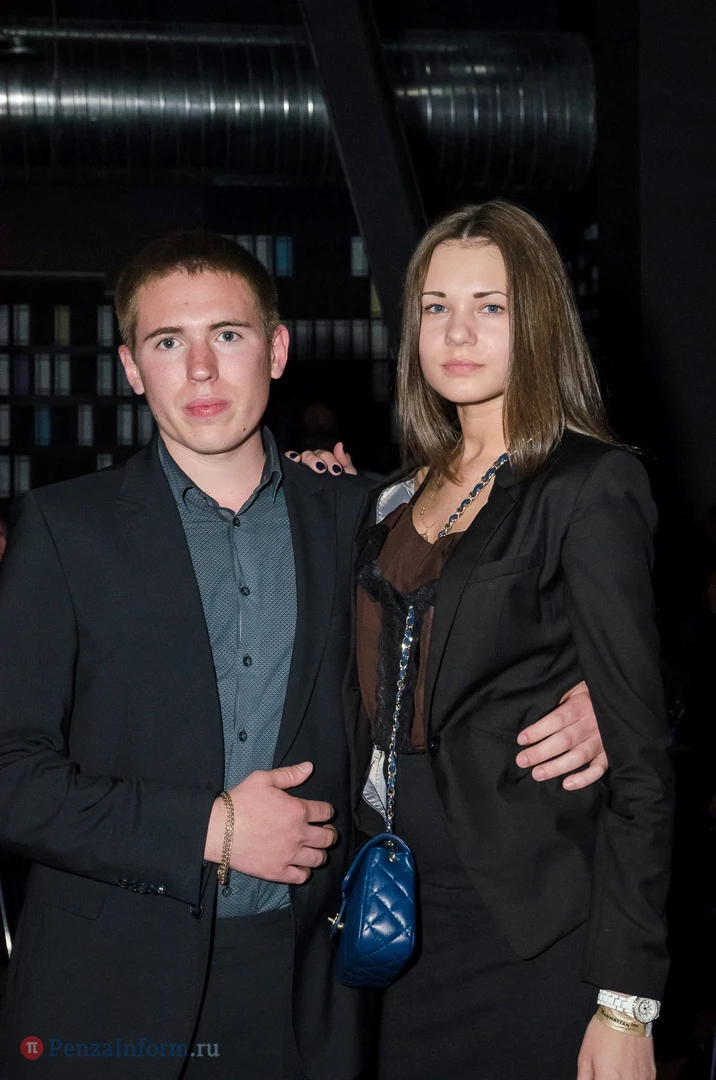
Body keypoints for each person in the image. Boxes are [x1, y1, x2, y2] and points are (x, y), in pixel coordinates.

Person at [0, 230, 605, 1080]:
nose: (200, 370)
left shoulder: (369, 516)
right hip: (106, 991)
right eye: (168, 343)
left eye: (228, 334)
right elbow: (10, 775)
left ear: (277, 350)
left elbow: (514, 623)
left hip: (308, 999)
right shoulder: (64, 530)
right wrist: (212, 827)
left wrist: (596, 696)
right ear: (132, 367)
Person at [298, 201, 673, 1080]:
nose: (457, 331)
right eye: (436, 306)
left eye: (490, 306)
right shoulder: (391, 498)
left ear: (537, 319)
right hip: (393, 915)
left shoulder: (587, 484)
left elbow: (644, 767)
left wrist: (627, 1001)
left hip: (528, 928)